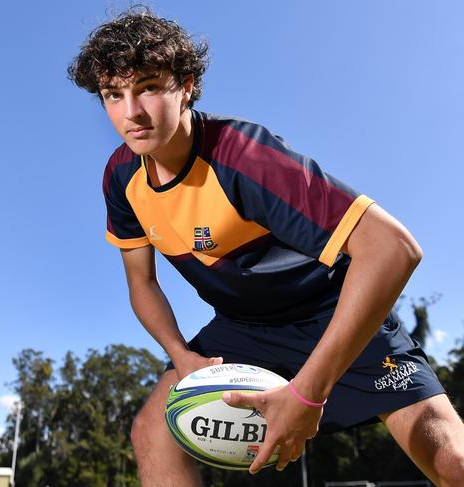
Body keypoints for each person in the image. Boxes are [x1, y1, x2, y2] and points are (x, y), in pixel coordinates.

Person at [68, 7, 464, 486]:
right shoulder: (121, 175)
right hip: (243, 329)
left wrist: (308, 395)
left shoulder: (245, 156)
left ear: (186, 84)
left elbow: (393, 248)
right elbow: (142, 282)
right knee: (153, 430)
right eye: (113, 95)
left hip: (331, 313)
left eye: (149, 86)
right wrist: (182, 355)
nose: (131, 112)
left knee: (450, 460)